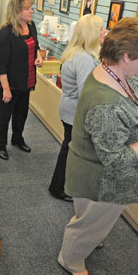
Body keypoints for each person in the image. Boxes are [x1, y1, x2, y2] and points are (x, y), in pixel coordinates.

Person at [57, 17, 138, 275]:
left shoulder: (111, 72)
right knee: (87, 224)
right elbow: (116, 162)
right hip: (101, 182)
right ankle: (70, 260)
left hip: (97, 175)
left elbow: (121, 110)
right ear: (128, 56)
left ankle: (88, 239)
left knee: (91, 221)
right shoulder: (105, 101)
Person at [48, 15, 107, 202]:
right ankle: (58, 188)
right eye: (102, 29)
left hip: (69, 109)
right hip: (75, 113)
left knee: (68, 148)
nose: (105, 32)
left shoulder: (76, 53)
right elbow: (86, 93)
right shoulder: (84, 59)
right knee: (70, 150)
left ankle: (59, 186)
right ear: (92, 34)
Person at [0, 0, 43, 160]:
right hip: (10, 83)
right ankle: (0, 144)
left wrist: (38, 56)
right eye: (27, 8)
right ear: (17, 11)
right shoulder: (6, 34)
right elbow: (0, 65)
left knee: (21, 113)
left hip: (26, 80)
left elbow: (35, 44)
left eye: (31, 7)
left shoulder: (31, 26)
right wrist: (6, 89)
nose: (31, 11)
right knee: (4, 116)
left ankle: (17, 138)